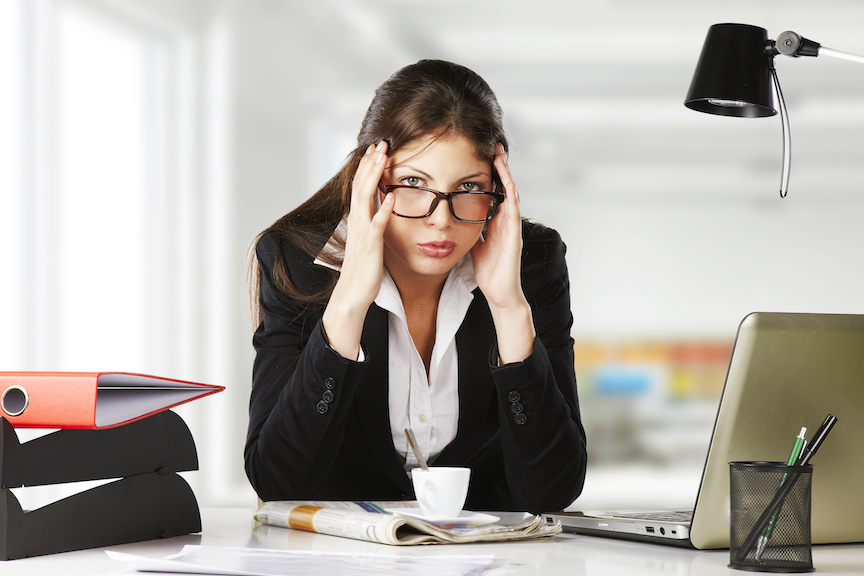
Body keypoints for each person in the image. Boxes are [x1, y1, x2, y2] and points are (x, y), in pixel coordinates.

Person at [245, 59, 586, 514]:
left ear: (498, 189)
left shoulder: (533, 265)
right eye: (412, 182)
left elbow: (551, 491)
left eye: (468, 186)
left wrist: (509, 309)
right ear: (371, 177)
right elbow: (279, 482)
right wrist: (347, 305)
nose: (440, 219)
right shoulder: (298, 262)